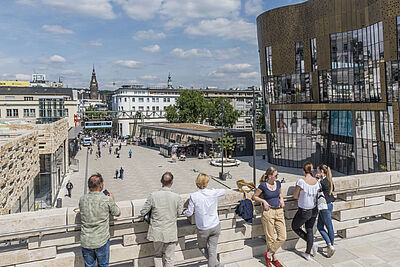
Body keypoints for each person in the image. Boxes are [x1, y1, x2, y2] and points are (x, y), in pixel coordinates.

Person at [140, 172, 183, 267]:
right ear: (172, 182)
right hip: (170, 232)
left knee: (157, 255)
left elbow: (143, 212)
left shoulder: (153, 195)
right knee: (169, 258)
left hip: (157, 232)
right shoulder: (177, 197)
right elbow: (179, 213)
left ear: (161, 181)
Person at [183, 173, 226, 267]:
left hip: (203, 228)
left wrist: (183, 212)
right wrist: (214, 190)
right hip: (215, 225)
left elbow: (189, 213)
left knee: (202, 247)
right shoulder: (213, 192)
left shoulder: (194, 196)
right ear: (206, 183)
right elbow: (224, 191)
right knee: (212, 250)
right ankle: (216, 264)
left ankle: (215, 264)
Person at [79, 173, 121, 267]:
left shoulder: (82, 199)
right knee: (103, 265)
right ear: (101, 185)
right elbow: (117, 212)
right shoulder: (106, 199)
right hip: (101, 240)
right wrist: (112, 200)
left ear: (89, 186)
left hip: (86, 240)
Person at [253, 168, 286, 267]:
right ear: (270, 176)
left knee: (282, 236)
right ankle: (274, 258)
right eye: (276, 175)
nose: (277, 177)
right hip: (268, 212)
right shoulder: (263, 185)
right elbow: (255, 196)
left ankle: (268, 254)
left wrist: (281, 199)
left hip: (279, 211)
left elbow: (280, 193)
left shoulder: (278, 183)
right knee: (270, 238)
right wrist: (264, 201)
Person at [292, 162, 319, 261]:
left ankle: (311, 243)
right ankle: (308, 252)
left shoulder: (301, 181)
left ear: (303, 170)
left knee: (294, 226)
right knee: (310, 229)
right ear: (312, 170)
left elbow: (295, 196)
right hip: (314, 209)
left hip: (304, 210)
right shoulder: (316, 181)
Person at [316, 164, 336, 258]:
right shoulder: (329, 180)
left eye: (318, 171)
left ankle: (330, 246)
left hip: (324, 206)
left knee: (327, 226)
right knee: (321, 226)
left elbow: (317, 189)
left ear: (322, 172)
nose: (317, 173)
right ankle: (330, 245)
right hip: (329, 205)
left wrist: (317, 179)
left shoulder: (322, 181)